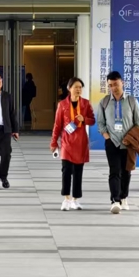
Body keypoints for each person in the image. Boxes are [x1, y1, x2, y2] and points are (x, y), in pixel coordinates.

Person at [96, 71, 139, 214]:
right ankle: (115, 200)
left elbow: (138, 122)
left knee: (126, 171)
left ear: (122, 83)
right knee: (114, 171)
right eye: (110, 85)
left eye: (116, 84)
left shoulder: (131, 101)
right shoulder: (104, 102)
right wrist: (106, 137)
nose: (113, 88)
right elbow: (100, 123)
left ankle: (124, 197)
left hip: (128, 143)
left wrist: (132, 137)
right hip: (112, 142)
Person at [51, 77, 95, 211]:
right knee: (66, 170)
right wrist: (54, 142)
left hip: (81, 142)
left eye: (80, 87)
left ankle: (76, 199)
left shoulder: (86, 104)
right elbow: (57, 125)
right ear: (69, 88)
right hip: (67, 142)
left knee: (78, 171)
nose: (78, 89)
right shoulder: (62, 105)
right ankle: (66, 199)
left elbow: (93, 120)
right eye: (76, 87)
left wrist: (84, 119)